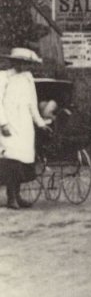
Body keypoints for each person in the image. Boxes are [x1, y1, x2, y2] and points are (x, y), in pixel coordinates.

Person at [0, 48, 51, 209]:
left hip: (25, 125)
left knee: (23, 162)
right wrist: (3, 124)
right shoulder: (3, 77)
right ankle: (11, 197)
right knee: (11, 161)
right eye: (19, 62)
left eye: (25, 63)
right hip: (9, 124)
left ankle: (18, 195)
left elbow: (32, 105)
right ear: (12, 61)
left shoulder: (28, 79)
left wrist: (41, 124)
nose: (22, 66)